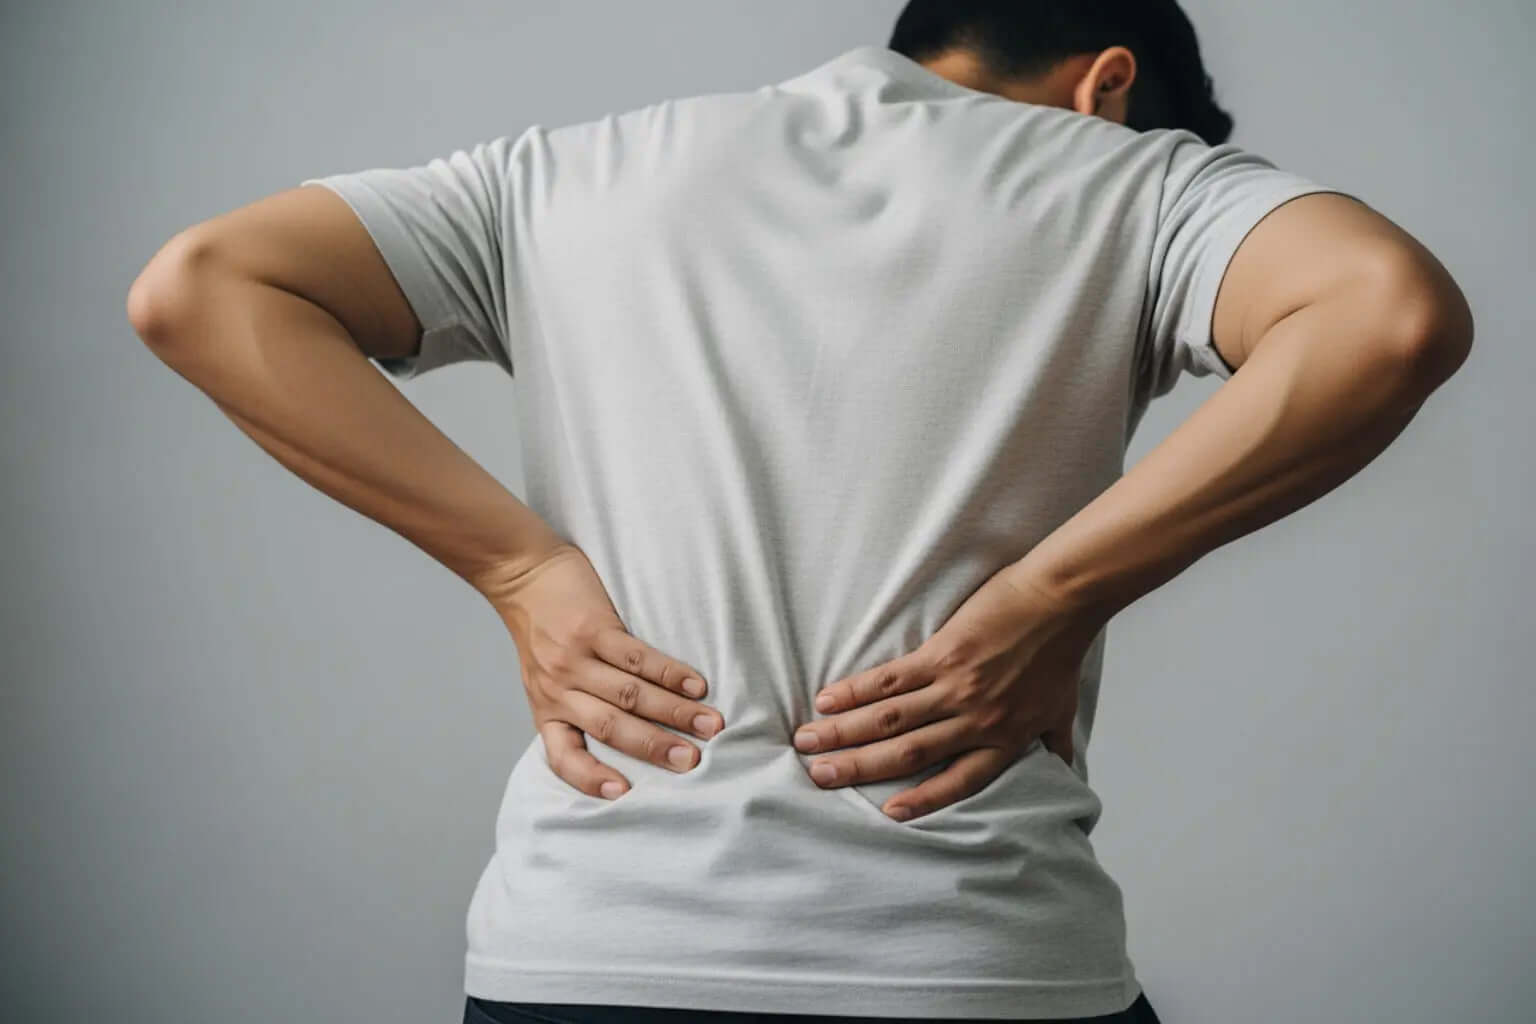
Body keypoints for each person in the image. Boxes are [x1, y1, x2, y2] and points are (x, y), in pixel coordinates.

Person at [125, 0, 1474, 1020]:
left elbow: (201, 287)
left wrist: (521, 571)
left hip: (583, 950)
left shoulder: (566, 173)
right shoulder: (1138, 179)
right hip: (969, 952)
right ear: (1109, 83)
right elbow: (1389, 312)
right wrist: (1053, 597)